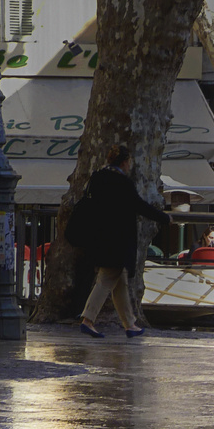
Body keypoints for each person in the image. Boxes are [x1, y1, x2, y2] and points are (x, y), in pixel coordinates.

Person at [77, 144, 170, 338]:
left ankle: (130, 324)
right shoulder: (122, 183)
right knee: (106, 280)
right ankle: (88, 319)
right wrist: (163, 217)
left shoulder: (97, 178)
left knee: (120, 282)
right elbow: (139, 206)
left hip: (99, 237)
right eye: (130, 163)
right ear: (125, 162)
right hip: (116, 241)